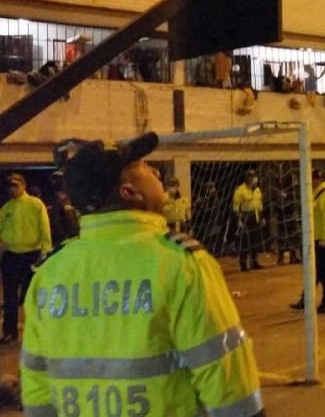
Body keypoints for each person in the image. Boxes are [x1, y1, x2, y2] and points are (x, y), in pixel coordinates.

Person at [22, 133, 263, 416]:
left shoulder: (49, 273)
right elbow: (225, 375)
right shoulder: (181, 264)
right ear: (129, 192)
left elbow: (37, 384)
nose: (155, 172)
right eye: (143, 167)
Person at [0, 173, 51, 344]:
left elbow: (44, 227)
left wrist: (45, 251)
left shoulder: (36, 204)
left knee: (32, 295)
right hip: (11, 255)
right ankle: (10, 332)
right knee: (10, 296)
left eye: (15, 185)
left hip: (31, 255)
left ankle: (37, 331)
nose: (12, 189)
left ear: (23, 185)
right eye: (9, 186)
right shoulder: (6, 208)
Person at [290, 168, 325, 314]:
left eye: (312, 179)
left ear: (318, 179)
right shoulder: (316, 194)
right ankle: (306, 299)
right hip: (315, 238)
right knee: (313, 271)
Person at [232, 169, 265, 271]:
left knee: (255, 240)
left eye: (254, 176)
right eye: (251, 176)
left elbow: (260, 204)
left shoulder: (257, 189)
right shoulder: (240, 190)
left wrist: (262, 217)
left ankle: (254, 262)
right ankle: (243, 263)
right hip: (245, 216)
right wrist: (238, 220)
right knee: (245, 241)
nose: (253, 178)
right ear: (247, 178)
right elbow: (236, 207)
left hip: (256, 215)